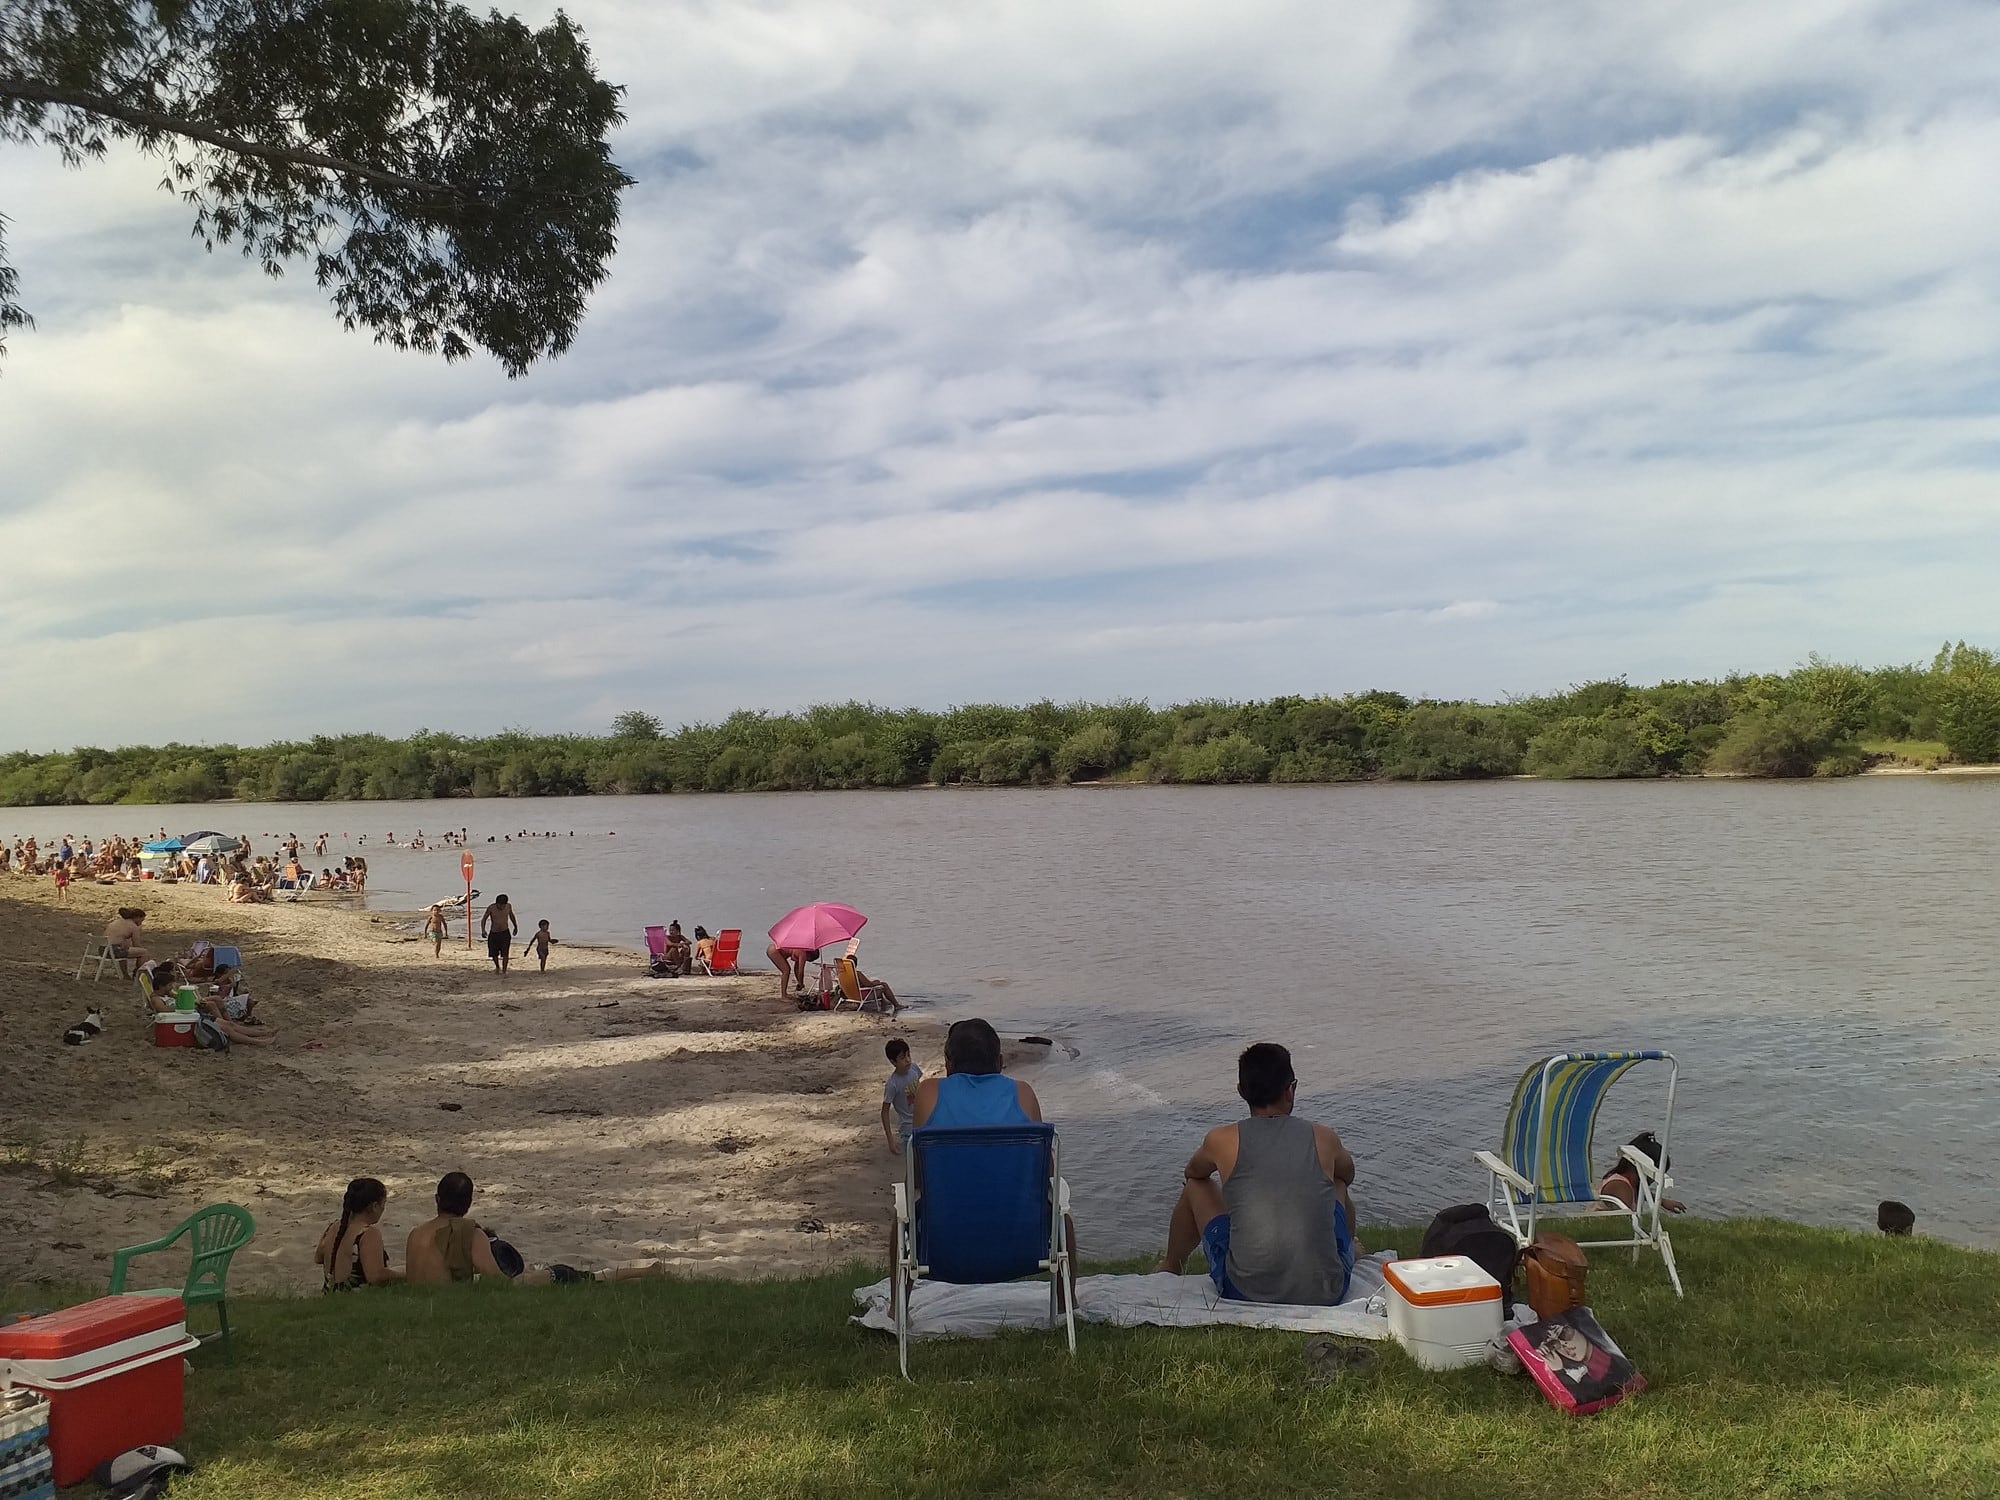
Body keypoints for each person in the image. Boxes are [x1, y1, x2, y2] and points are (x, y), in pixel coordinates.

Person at [1153, 1041, 1358, 1306]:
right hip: (1327, 1290)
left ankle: (1171, 1265)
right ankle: (1349, 1246)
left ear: (1241, 1091)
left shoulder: (1221, 1139)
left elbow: (1193, 1171)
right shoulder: (1324, 1137)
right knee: (1337, 1181)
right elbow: (1348, 1174)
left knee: (1195, 1186)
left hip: (1244, 1290)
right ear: (1290, 1090)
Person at [912, 1018, 1043, 1128]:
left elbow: (918, 1155)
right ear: (1000, 1062)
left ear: (948, 1064)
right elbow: (1043, 1157)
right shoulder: (1023, 1094)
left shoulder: (928, 1092)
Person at [315, 1177, 403, 1291]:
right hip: (356, 1300)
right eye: (383, 1203)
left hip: (330, 1295)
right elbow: (375, 1276)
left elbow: (318, 1258)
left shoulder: (333, 1227)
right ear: (375, 1206)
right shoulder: (368, 1234)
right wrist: (405, 1273)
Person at [1598, 1131, 1685, 1215]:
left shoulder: (1628, 1182)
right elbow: (1626, 1221)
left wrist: (1662, 1201)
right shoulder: (1621, 1187)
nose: (1654, 1180)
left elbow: (1641, 1192)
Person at [880, 1038, 923, 1155]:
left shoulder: (914, 1069)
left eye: (908, 1055)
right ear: (893, 1062)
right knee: (911, 1165)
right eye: (902, 1058)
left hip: (922, 1122)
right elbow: (885, 1112)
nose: (908, 1060)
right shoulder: (892, 1084)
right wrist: (890, 1141)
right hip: (907, 1128)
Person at [481, 894, 518, 977]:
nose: (502, 907)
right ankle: (497, 966)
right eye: (500, 905)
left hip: (505, 932)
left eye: (503, 905)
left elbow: (511, 916)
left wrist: (515, 926)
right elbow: (484, 919)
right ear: (497, 903)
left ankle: (504, 970)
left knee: (505, 953)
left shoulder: (508, 906)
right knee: (493, 953)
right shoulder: (491, 908)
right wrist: (483, 930)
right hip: (494, 933)